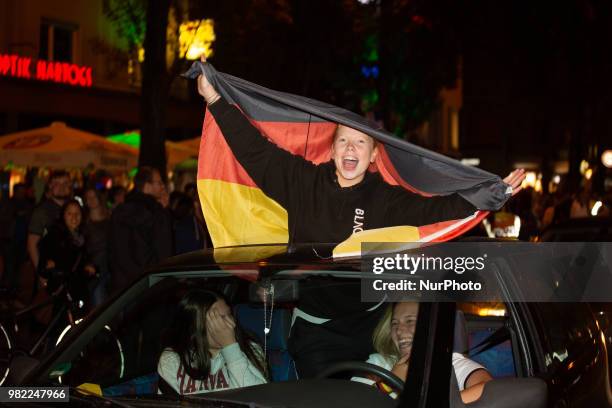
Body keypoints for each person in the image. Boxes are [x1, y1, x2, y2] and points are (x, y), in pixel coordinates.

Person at [196, 58, 526, 377]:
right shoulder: (302, 181)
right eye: (343, 141)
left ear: (373, 155)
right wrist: (214, 98)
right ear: (332, 149)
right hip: (316, 330)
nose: (350, 148)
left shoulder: (383, 198)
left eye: (360, 142)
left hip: (375, 328)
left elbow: (435, 209)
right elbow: (256, 152)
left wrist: (490, 195)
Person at [352, 302, 492, 403]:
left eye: (410, 321)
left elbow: (488, 389)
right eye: (395, 324)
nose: (399, 331)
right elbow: (351, 401)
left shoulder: (450, 363)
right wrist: (388, 384)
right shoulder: (380, 362)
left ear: (430, 326)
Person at [157, 289, 268, 394]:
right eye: (219, 319)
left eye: (229, 315)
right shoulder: (172, 359)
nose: (231, 324)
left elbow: (259, 398)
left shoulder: (250, 349)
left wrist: (231, 348)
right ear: (195, 327)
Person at [108, 167, 173, 296]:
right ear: (147, 186)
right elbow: (164, 250)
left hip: (122, 288)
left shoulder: (118, 212)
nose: (163, 187)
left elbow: (111, 250)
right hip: (149, 285)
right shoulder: (156, 213)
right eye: (159, 183)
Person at [38, 199, 96, 316]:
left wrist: (91, 267)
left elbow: (85, 262)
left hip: (78, 291)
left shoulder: (82, 237)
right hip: (62, 293)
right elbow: (45, 265)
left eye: (77, 213)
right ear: (63, 215)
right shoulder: (54, 236)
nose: (74, 217)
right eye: (69, 213)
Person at [28, 171, 72, 273]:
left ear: (70, 186)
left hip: (69, 269)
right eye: (57, 183)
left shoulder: (74, 208)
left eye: (65, 183)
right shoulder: (42, 211)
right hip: (51, 271)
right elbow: (32, 244)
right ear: (50, 187)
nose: (62, 186)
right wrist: (41, 272)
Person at [83, 188, 110, 307]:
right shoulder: (84, 222)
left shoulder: (110, 217)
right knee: (99, 307)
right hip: (95, 272)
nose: (91, 200)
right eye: (88, 197)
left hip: (111, 269)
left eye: (93, 196)